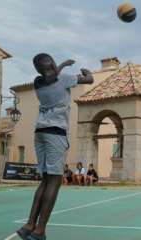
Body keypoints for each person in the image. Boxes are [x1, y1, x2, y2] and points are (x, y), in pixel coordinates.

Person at [16, 53, 93, 240]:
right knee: (55, 181)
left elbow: (51, 75)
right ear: (51, 63)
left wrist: (63, 64)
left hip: (40, 132)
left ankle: (29, 225)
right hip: (55, 133)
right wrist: (84, 70)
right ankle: (40, 230)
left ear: (38, 69)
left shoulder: (38, 83)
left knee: (45, 180)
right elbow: (89, 79)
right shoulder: (64, 79)